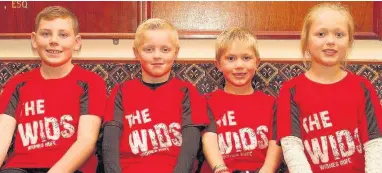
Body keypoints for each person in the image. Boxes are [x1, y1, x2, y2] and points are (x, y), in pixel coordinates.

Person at [276, 3, 382, 173]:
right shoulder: (291, 90)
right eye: (321, 34)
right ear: (306, 40)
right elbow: (291, 145)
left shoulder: (363, 87)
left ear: (349, 41)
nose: (331, 41)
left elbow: (376, 142)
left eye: (339, 34)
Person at [0, 6, 106, 173]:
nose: (53, 41)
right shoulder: (17, 84)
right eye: (46, 34)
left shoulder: (91, 82)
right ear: (34, 40)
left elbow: (86, 141)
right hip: (20, 168)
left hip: (72, 168)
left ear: (76, 42)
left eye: (63, 35)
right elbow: (2, 135)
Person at [102, 18, 210, 173]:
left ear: (176, 53)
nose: (157, 56)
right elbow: (110, 144)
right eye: (149, 49)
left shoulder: (187, 91)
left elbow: (191, 145)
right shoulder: (121, 91)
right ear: (136, 53)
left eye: (165, 50)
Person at [201, 27, 282, 173]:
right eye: (231, 58)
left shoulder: (271, 104)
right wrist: (220, 169)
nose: (239, 65)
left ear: (257, 63)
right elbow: (209, 139)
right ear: (218, 64)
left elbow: (276, 144)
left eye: (246, 58)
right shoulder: (206, 102)